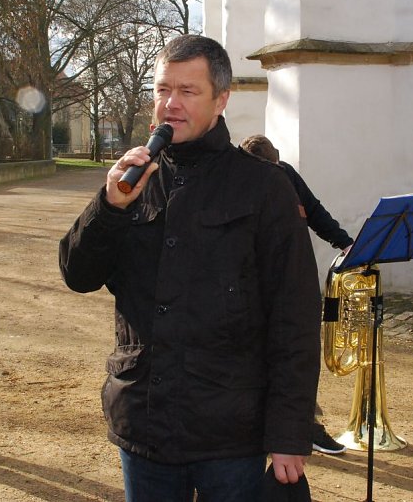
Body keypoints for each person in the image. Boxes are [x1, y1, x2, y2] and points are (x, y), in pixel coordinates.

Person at [59, 35, 322, 501]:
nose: (171, 103)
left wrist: (289, 432)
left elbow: (295, 316)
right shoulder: (134, 179)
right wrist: (109, 207)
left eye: (187, 91)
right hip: (145, 420)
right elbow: (78, 275)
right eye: (162, 89)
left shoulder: (263, 186)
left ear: (221, 100)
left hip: (230, 430)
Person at [239, 134, 352, 456]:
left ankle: (306, 426)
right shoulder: (237, 181)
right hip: (250, 285)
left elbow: (314, 211)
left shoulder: (285, 172)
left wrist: (346, 243)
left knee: (297, 356)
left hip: (291, 281)